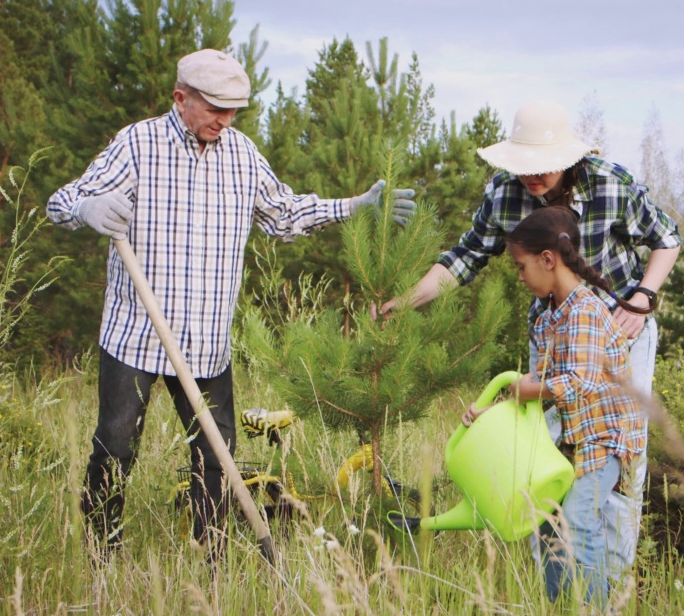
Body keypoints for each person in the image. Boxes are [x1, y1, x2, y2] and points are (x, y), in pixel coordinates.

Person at [47, 48, 415, 559]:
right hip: (136, 336)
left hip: (206, 344)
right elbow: (61, 202)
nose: (225, 119)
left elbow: (285, 214)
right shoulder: (137, 145)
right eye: (214, 107)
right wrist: (87, 207)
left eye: (233, 109)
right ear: (181, 99)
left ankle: (211, 558)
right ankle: (100, 555)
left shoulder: (242, 155)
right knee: (116, 446)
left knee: (216, 457)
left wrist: (353, 208)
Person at [381, 98, 681, 553]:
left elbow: (668, 239)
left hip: (621, 332)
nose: (531, 175)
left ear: (566, 157)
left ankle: (611, 582)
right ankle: (556, 566)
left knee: (617, 458)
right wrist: (404, 302)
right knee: (544, 447)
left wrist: (641, 301)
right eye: (523, 165)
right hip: (553, 333)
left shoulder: (609, 184)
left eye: (542, 164)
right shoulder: (505, 194)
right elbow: (465, 257)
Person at [462, 207, 645, 604]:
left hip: (604, 441)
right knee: (547, 522)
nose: (520, 276)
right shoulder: (549, 320)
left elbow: (577, 384)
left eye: (521, 266)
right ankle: (563, 613)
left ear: (548, 259)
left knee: (578, 521)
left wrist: (529, 390)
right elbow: (538, 391)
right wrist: (489, 415)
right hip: (573, 444)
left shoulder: (584, 312)